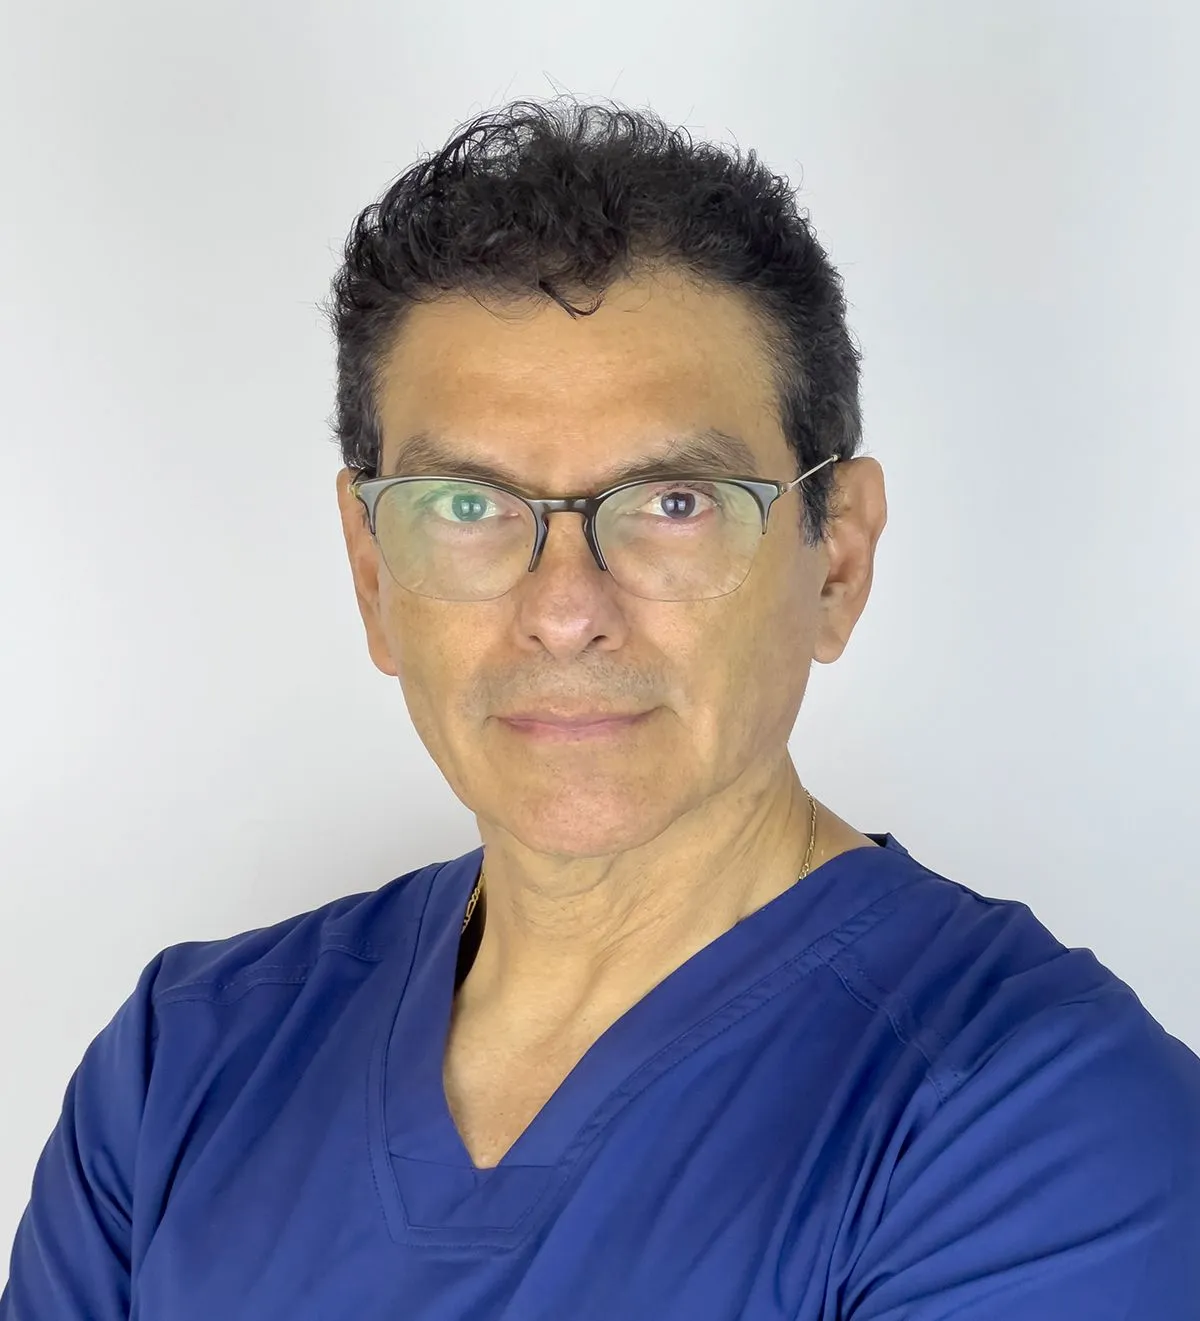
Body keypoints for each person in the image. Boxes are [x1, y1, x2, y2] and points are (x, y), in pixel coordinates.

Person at [3, 98, 1198, 1321]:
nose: (565, 611)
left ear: (836, 561)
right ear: (373, 576)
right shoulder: (182, 1071)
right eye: (467, 507)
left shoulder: (1042, 1127)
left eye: (674, 503)